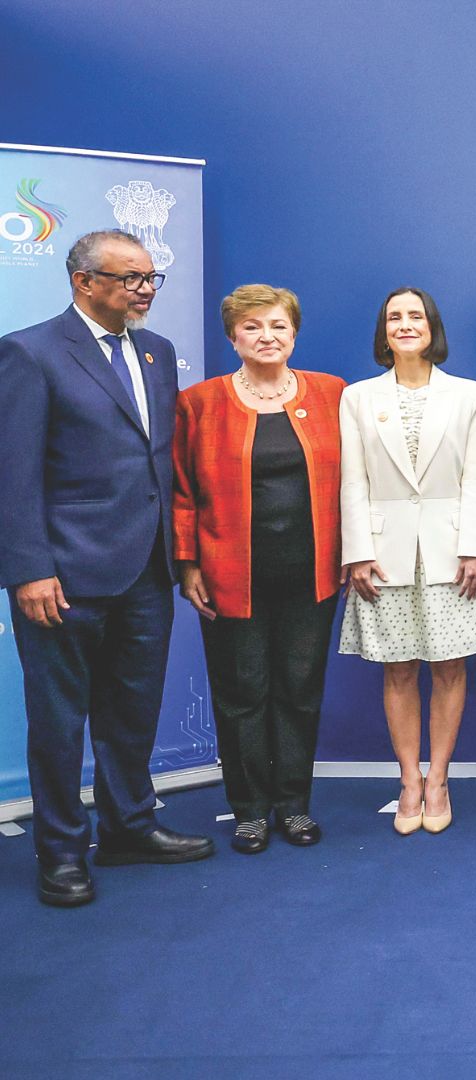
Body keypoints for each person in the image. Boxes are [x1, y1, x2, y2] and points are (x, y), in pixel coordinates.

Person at [0, 229, 213, 906]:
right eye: (130, 279)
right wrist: (28, 569)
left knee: (130, 715)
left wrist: (178, 559)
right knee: (60, 724)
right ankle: (61, 852)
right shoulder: (30, 353)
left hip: (147, 571)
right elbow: (13, 475)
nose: (145, 290)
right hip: (62, 578)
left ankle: (127, 829)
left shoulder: (157, 351)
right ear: (83, 281)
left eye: (151, 278)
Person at [174, 285, 346, 853]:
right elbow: (181, 492)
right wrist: (188, 562)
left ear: (294, 333)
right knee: (241, 694)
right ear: (232, 337)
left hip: (312, 573)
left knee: (299, 691)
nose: (267, 336)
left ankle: (294, 805)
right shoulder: (200, 401)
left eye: (277, 325)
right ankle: (249, 809)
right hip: (229, 574)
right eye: (252, 327)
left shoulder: (331, 394)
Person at [339, 286, 476, 836]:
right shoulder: (358, 397)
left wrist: (474, 546)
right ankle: (408, 779)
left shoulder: (468, 394)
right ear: (383, 331)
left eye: (415, 315)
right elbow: (353, 479)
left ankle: (440, 778)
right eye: (394, 317)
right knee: (398, 669)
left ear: (432, 326)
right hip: (384, 556)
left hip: (453, 552)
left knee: (451, 667)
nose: (405, 324)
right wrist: (358, 551)